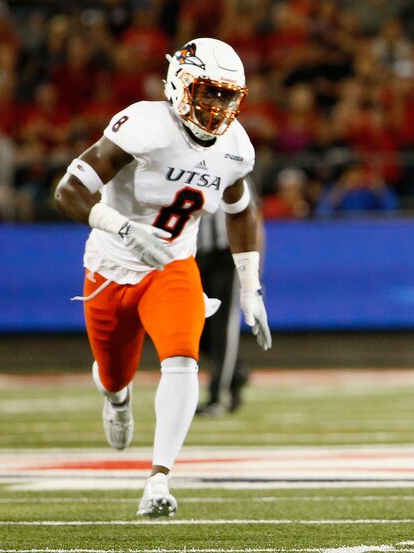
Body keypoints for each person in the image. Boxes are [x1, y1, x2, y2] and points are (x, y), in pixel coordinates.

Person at [54, 37, 272, 518]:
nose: (217, 107)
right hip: (110, 267)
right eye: (208, 92)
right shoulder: (146, 125)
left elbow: (241, 211)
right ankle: (117, 398)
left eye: (226, 96)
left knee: (182, 360)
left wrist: (251, 285)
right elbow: (69, 190)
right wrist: (123, 227)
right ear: (179, 84)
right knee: (114, 374)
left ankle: (159, 479)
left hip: (173, 265)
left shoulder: (235, 147)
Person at [194, 185, 261, 416]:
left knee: (222, 327)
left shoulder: (233, 164)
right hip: (193, 256)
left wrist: (251, 274)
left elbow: (251, 218)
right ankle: (236, 373)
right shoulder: (182, 163)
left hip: (227, 255)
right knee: (194, 327)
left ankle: (217, 397)